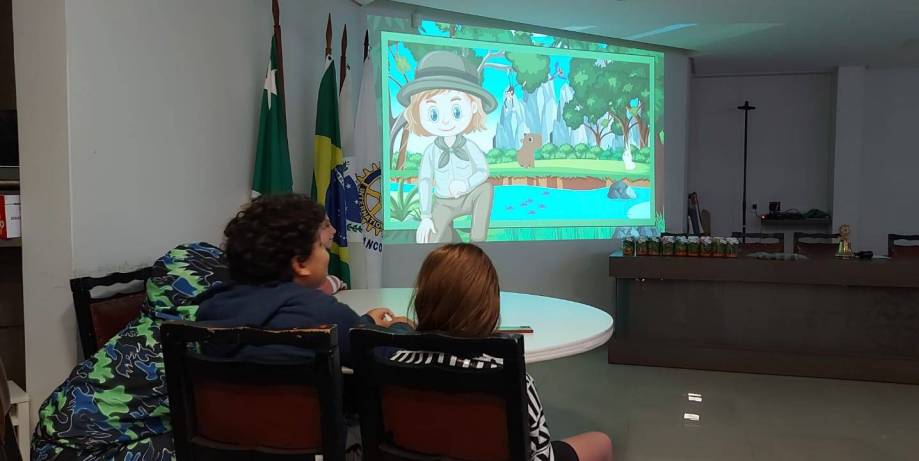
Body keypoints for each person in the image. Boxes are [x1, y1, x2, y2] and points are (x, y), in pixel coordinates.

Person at [391, 243, 613, 461]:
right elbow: (542, 456)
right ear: (488, 307)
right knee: (601, 442)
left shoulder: (393, 363)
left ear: (422, 299)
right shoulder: (513, 380)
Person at [197, 193, 409, 362]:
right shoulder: (323, 312)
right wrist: (400, 328)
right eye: (320, 246)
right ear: (300, 264)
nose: (326, 253)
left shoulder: (210, 308)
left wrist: (366, 323)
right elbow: (389, 359)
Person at [397, 50, 497, 243]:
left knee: (486, 189)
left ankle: (477, 243)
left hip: (468, 196)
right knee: (429, 239)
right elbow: (425, 180)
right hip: (443, 203)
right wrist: (425, 217)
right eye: (433, 113)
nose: (445, 121)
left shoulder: (470, 146)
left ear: (473, 107)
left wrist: (466, 184)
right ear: (418, 112)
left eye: (456, 111)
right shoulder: (431, 151)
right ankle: (450, 236)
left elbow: (483, 171)